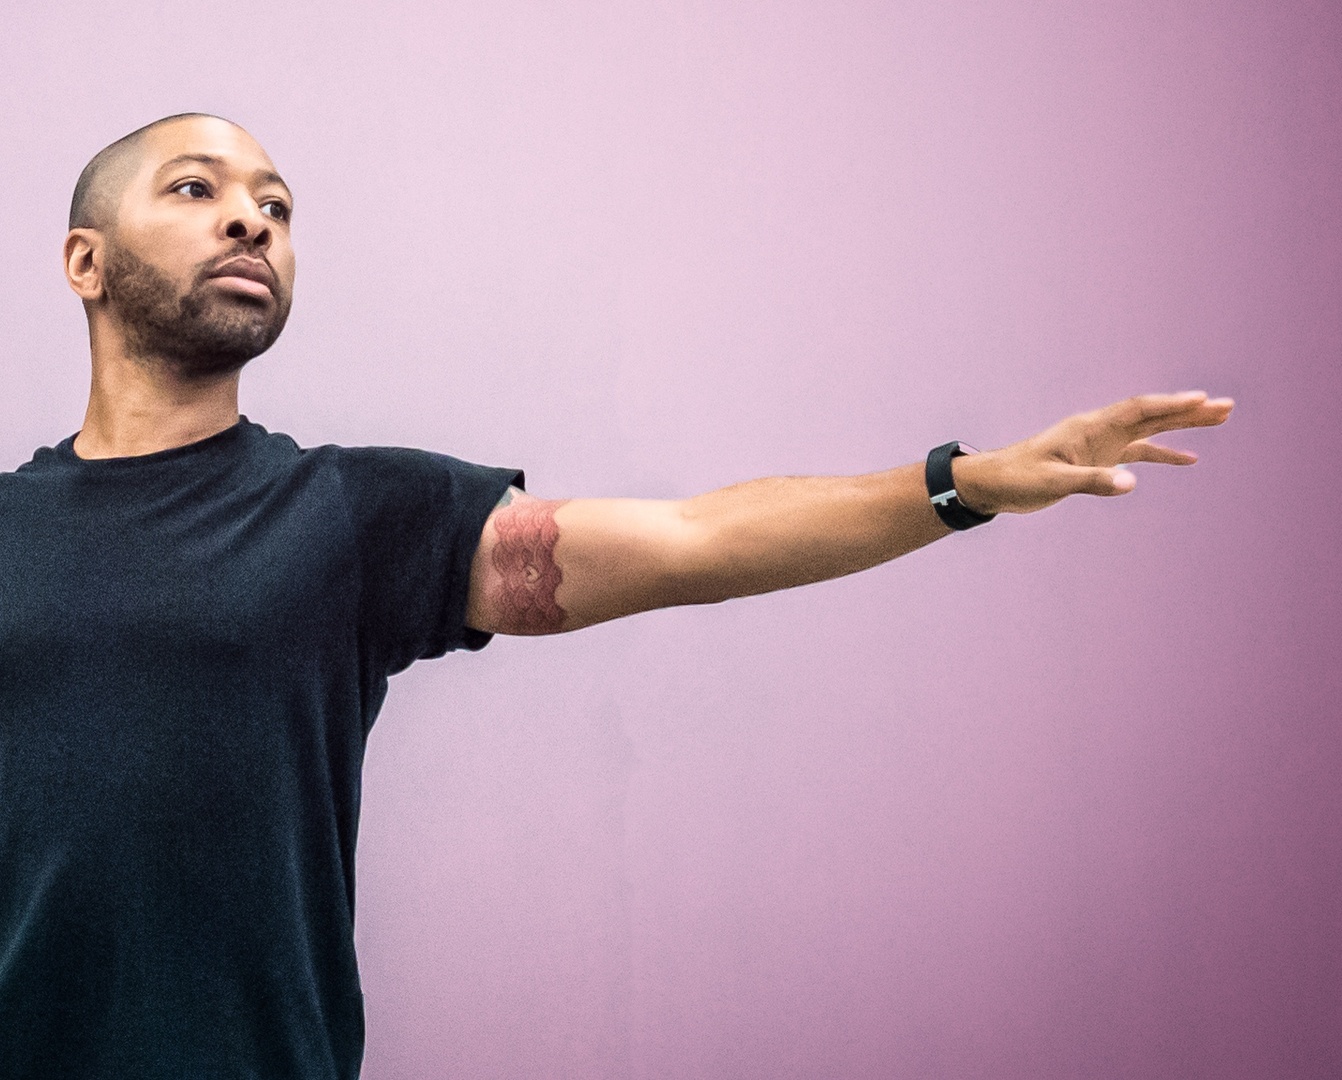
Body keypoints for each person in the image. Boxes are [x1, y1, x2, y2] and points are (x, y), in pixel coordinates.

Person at [0, 112, 1232, 1080]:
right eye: (197, 189)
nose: (252, 222)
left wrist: (956, 483)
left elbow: (691, 538)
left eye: (276, 206)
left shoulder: (349, 517)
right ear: (85, 262)